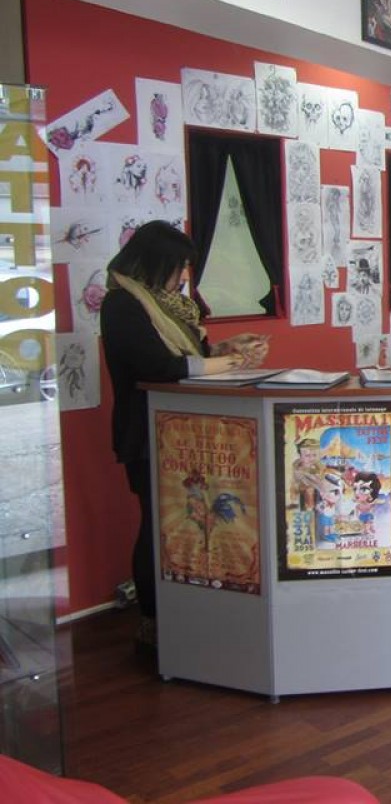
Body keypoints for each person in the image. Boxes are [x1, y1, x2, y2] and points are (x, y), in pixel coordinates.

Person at [100, 220, 269, 652]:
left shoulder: (168, 306)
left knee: (197, 525)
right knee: (159, 525)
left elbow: (190, 355)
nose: (182, 278)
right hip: (149, 434)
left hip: (189, 433)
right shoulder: (122, 304)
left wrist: (225, 349)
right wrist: (230, 365)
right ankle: (153, 621)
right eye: (178, 268)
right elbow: (161, 367)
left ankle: (193, 612)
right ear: (157, 264)